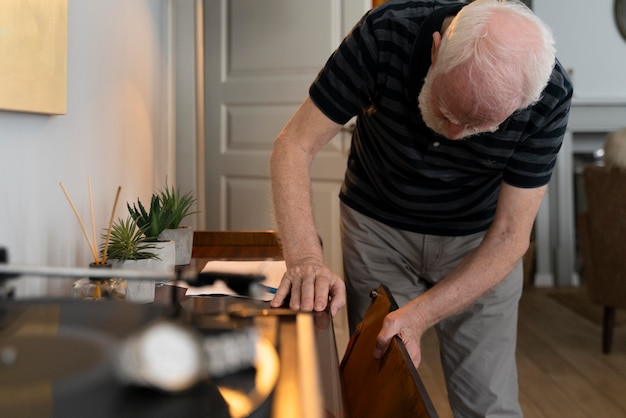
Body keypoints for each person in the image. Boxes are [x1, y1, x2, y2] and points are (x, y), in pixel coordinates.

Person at [269, 0, 573, 416]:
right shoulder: (383, 36)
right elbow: (294, 145)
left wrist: (421, 315)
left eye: (476, 126)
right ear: (436, 50)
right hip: (377, 226)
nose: (453, 134)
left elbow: (510, 236)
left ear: (524, 102)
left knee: (489, 402)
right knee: (377, 391)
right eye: (446, 109)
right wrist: (305, 257)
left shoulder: (550, 94)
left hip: (480, 243)